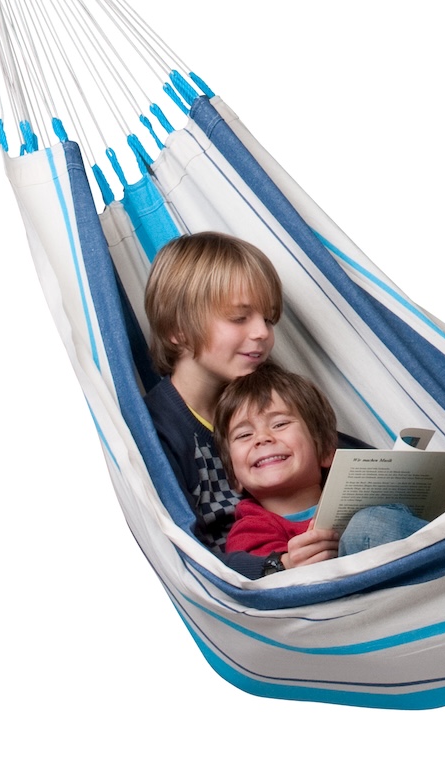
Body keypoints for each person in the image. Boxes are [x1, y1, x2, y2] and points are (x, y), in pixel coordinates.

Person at [142, 231, 358, 577]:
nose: (262, 333)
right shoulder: (157, 430)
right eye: (239, 318)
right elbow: (188, 558)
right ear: (178, 329)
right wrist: (276, 565)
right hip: (250, 585)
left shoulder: (264, 395)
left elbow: (343, 456)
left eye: (268, 319)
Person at [215, 363, 427, 573]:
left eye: (279, 424)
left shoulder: (358, 499)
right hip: (352, 593)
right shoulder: (249, 531)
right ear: (234, 476)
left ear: (325, 450)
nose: (262, 438)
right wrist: (288, 563)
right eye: (244, 435)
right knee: (368, 525)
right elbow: (265, 584)